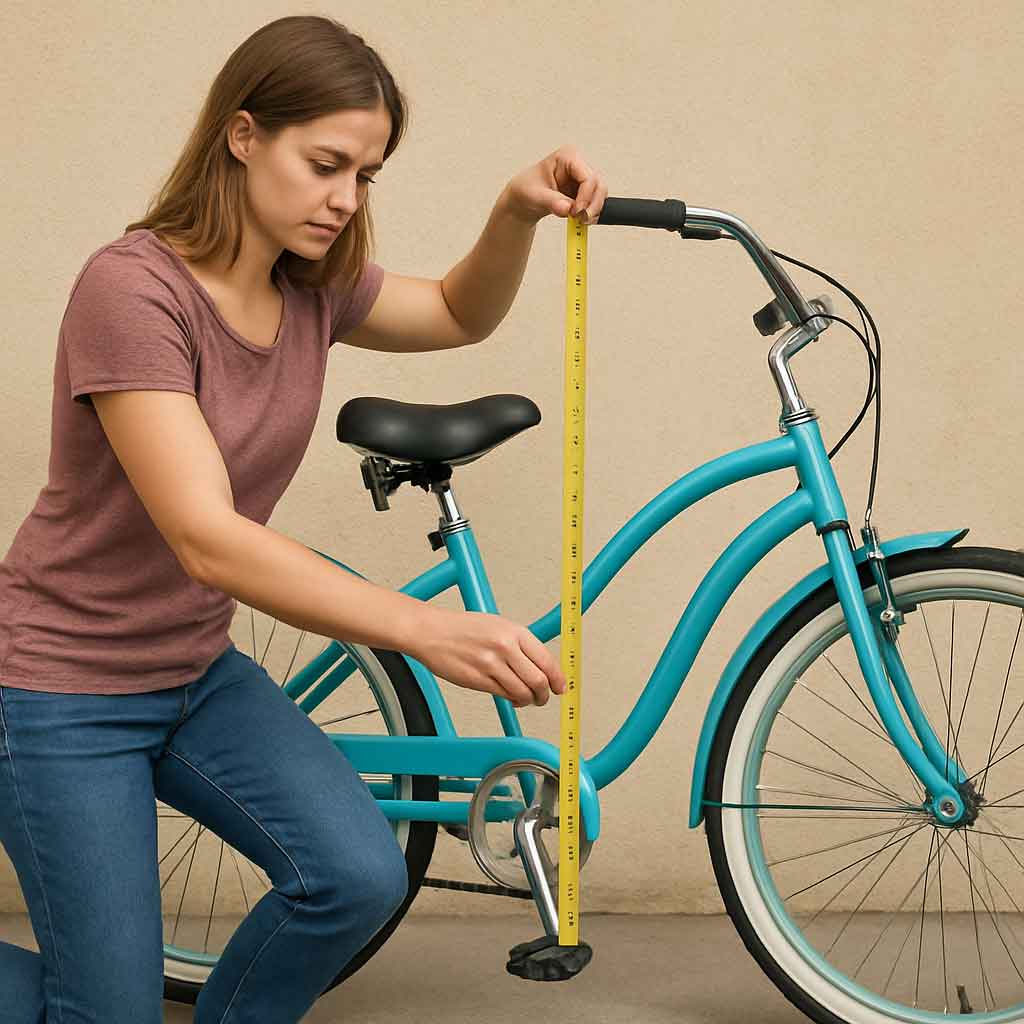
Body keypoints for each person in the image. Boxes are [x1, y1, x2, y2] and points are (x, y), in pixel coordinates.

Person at [0, 12, 607, 1024]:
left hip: (193, 676)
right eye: (326, 162)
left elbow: (459, 311)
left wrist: (513, 210)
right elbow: (205, 533)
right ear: (243, 136)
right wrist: (423, 627)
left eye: (365, 174)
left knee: (355, 878)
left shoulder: (311, 287)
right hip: (62, 692)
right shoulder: (132, 290)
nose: (344, 197)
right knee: (103, 1010)